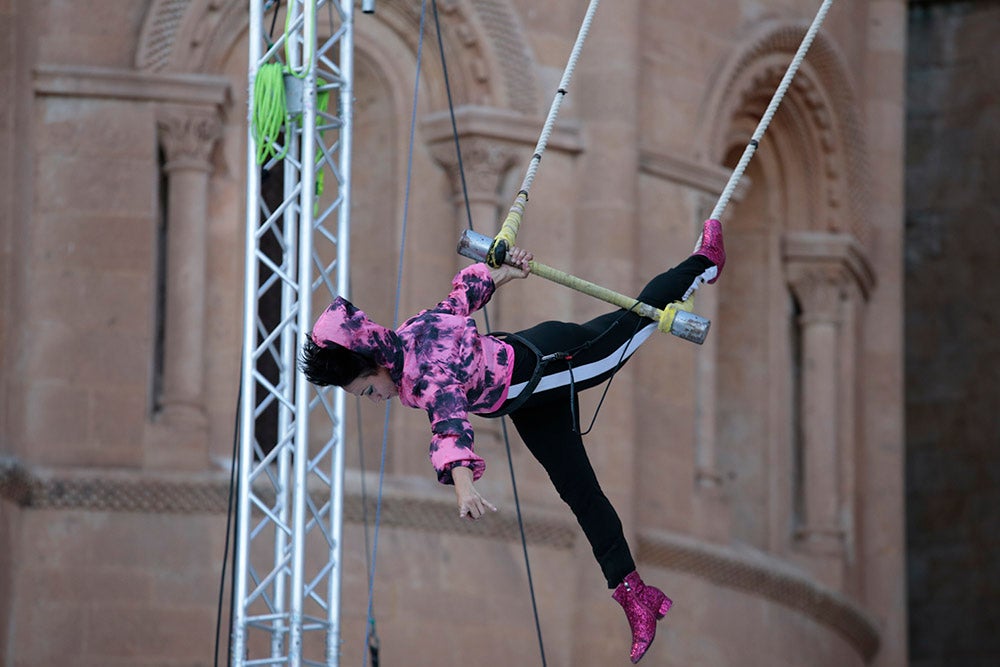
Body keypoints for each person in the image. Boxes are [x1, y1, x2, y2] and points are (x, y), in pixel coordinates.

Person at [299, 218, 725, 663]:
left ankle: (704, 261)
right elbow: (460, 298)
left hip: (548, 366)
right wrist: (504, 272)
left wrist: (464, 488)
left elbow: (450, 428)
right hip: (527, 398)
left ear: (377, 366)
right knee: (579, 491)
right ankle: (633, 593)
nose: (375, 400)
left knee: (632, 326)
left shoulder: (425, 374)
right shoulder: (411, 332)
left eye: (368, 391)